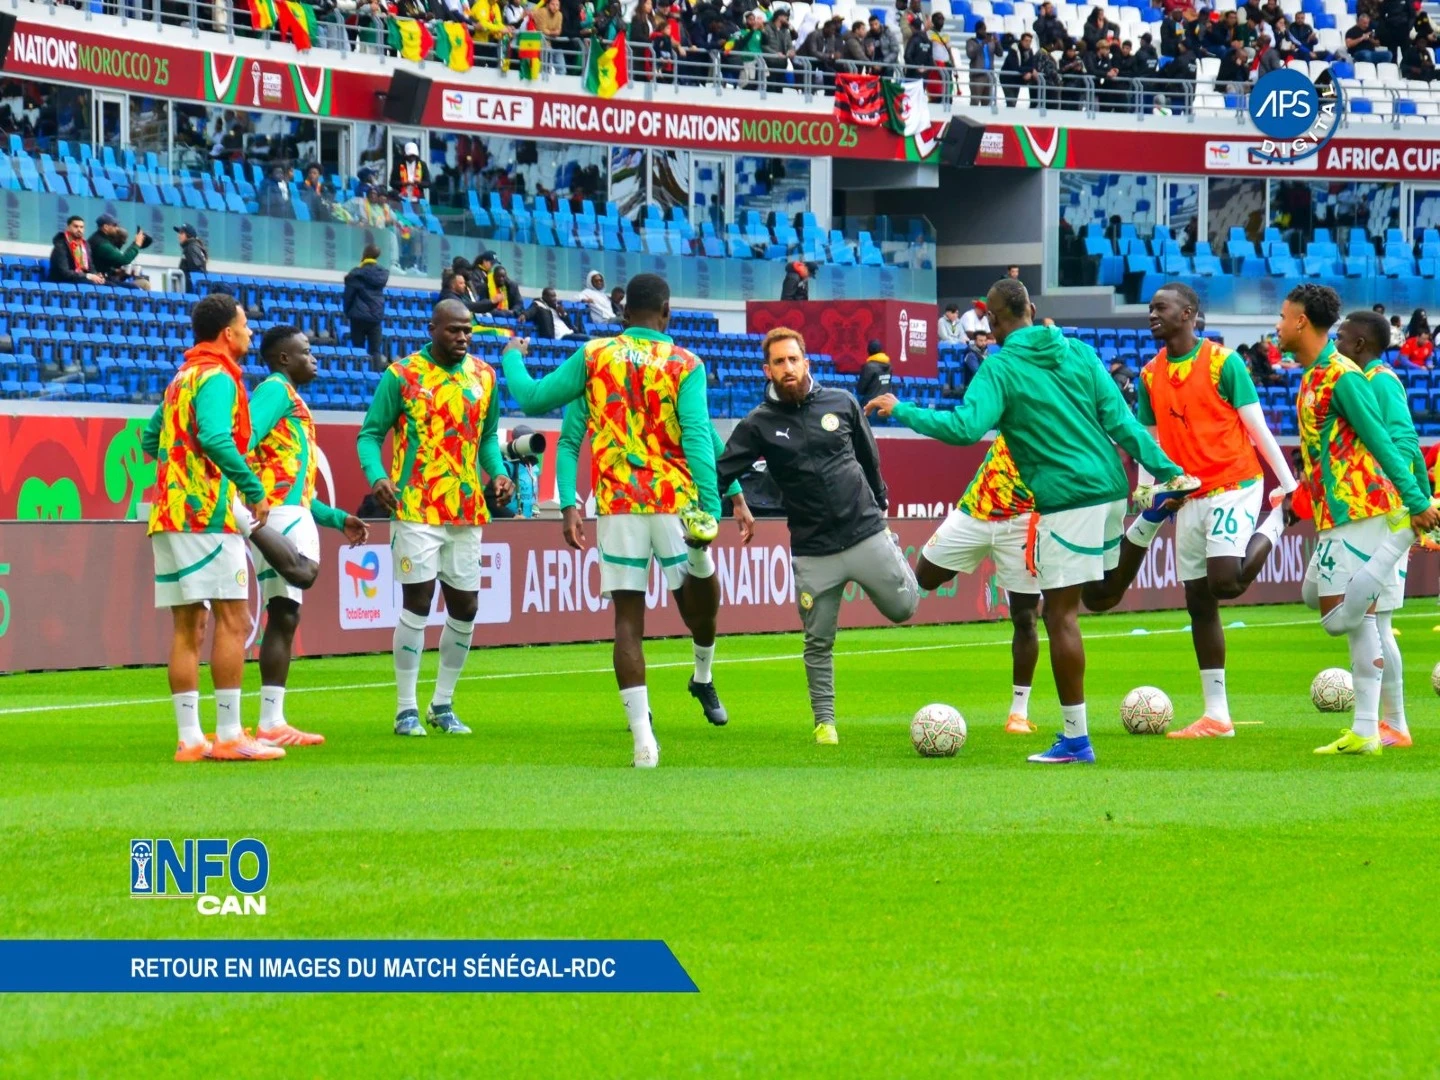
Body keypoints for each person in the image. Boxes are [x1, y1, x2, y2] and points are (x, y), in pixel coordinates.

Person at [865, 277, 1195, 765]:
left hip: (1064, 499)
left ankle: (1076, 741)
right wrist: (1170, 471)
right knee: (1098, 596)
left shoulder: (1000, 367)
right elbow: (1123, 423)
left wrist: (904, 410)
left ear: (995, 323)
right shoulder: (1080, 353)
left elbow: (964, 428)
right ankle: (1146, 520)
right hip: (1108, 490)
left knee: (1059, 616)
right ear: (1033, 309)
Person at [500, 273, 726, 767]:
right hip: (673, 499)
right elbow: (698, 435)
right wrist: (713, 504)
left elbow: (534, 399)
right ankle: (699, 556)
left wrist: (512, 357)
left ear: (624, 314)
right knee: (698, 607)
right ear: (667, 314)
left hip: (619, 504)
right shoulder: (686, 363)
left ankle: (644, 742)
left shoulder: (595, 356)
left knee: (627, 622)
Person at [1086, 284, 1297, 739]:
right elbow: (1149, 441)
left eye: (1161, 308)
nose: (1152, 315)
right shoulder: (1149, 374)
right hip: (1189, 496)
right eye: (1150, 308)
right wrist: (1145, 493)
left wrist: (1288, 485)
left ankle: (1278, 521)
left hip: (1235, 484)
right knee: (1199, 603)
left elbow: (1255, 427)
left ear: (1189, 314)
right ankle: (1217, 715)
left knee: (1225, 582)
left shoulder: (1225, 362)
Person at [716, 328, 918, 744]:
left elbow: (868, 455)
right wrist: (721, 501)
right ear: (767, 370)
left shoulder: (841, 402)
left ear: (806, 363)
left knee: (904, 609)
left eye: (793, 360)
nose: (787, 368)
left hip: (865, 532)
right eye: (779, 362)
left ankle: (892, 551)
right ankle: (825, 722)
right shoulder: (758, 424)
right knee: (818, 640)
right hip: (813, 551)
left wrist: (880, 500)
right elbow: (721, 470)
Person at [1277, 285, 1437, 756]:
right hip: (1339, 513)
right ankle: (1373, 728)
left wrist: (1416, 501)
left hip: (1364, 509)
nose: (1279, 325)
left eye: (1284, 316)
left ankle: (1371, 728)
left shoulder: (1346, 377)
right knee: (1329, 604)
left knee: (1340, 620)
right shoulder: (1315, 375)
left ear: (1303, 321)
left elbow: (1388, 442)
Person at [140, 294, 292, 763]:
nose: (249, 333)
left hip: (168, 513)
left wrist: (179, 467)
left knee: (189, 625)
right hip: (206, 515)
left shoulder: (182, 377)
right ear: (228, 333)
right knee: (234, 618)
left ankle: (190, 739)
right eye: (245, 326)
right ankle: (228, 733)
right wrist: (252, 488)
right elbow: (213, 436)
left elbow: (151, 438)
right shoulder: (219, 376)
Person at [356, 299, 516, 737]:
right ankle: (405, 708)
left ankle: (442, 705)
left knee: (466, 606)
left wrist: (498, 473)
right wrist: (377, 477)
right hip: (416, 506)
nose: (462, 337)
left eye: (467, 331)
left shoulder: (484, 377)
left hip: (466, 508)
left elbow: (486, 440)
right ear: (433, 329)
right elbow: (370, 435)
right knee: (419, 601)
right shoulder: (402, 375)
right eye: (453, 331)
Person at [246, 325, 370, 746]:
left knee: (285, 614)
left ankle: (271, 722)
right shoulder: (275, 391)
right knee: (303, 577)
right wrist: (250, 497)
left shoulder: (292, 399)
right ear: (284, 358)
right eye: (306, 351)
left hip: (291, 508)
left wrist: (337, 519)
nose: (313, 357)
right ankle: (269, 722)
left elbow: (304, 486)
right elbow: (243, 440)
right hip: (276, 512)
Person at [1332, 310, 1429, 748]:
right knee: (1376, 619)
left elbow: (1404, 442)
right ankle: (1391, 723)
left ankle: (1394, 723)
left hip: (1389, 511)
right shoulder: (1371, 379)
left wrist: (1415, 506)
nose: (1335, 342)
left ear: (1359, 345)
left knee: (1379, 621)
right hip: (1390, 507)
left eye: (1341, 336)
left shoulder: (1379, 380)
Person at [915, 427, 1042, 734]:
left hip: (1023, 521)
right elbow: (968, 422)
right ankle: (966, 560)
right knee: (924, 576)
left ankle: (1018, 714)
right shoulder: (1014, 397)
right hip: (976, 509)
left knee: (1025, 617)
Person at [343, 243, 389, 363]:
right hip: (375, 316)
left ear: (364, 254)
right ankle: (376, 376)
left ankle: (360, 375)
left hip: (358, 316)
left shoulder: (356, 274)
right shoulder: (381, 273)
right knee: (375, 351)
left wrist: (347, 312)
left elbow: (348, 296)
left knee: (358, 349)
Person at [90, 215, 153, 289]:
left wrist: (117, 272)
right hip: (98, 281)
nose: (117, 228)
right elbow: (124, 260)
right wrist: (137, 244)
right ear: (105, 227)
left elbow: (103, 265)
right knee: (135, 288)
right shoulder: (101, 244)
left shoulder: (103, 240)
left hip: (105, 278)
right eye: (115, 225)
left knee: (143, 284)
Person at [49, 215, 104, 285]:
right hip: (62, 281)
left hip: (80, 279)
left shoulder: (85, 245)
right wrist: (88, 276)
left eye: (81, 227)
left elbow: (90, 266)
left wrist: (96, 275)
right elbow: (64, 272)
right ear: (68, 228)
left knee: (110, 284)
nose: (79, 229)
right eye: (76, 226)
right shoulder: (60, 246)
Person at [855, 339, 892, 406]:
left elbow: (860, 389)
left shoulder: (869, 367)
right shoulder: (889, 366)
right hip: (884, 405)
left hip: (871, 405)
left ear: (869, 351)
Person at [175, 224, 208, 293]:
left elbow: (196, 273)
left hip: (192, 292)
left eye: (181, 233)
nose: (178, 236)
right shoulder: (193, 246)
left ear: (188, 235)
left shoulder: (191, 248)